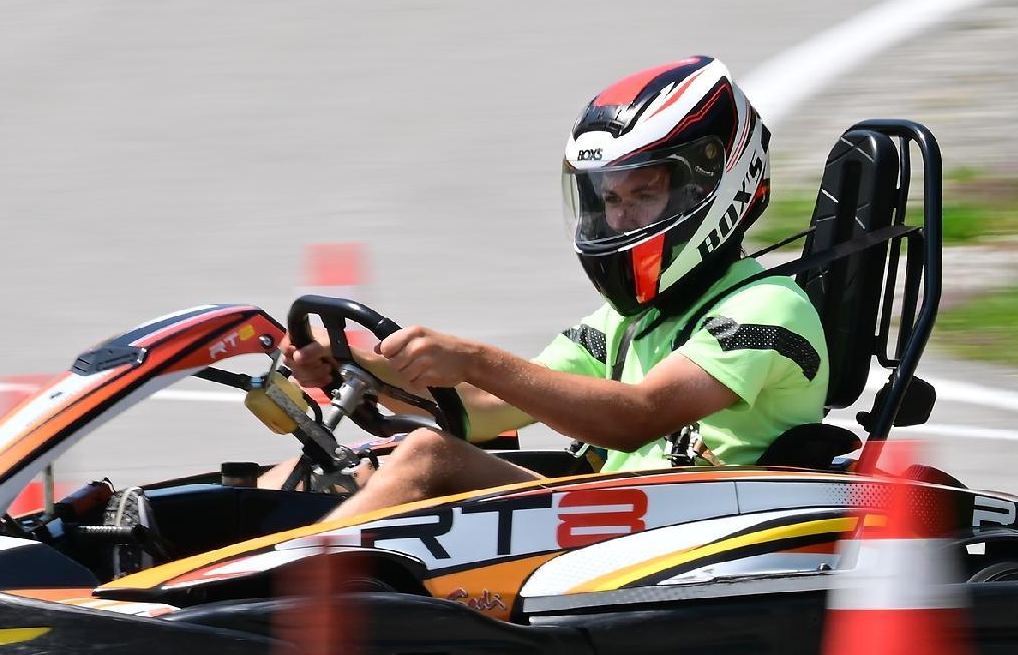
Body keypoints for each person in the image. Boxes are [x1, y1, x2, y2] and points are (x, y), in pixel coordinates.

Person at [275, 55, 831, 521]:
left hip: (686, 532)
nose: (619, 222)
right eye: (610, 200)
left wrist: (474, 358)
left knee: (429, 459)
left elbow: (638, 416)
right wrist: (353, 365)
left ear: (714, 184)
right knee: (351, 464)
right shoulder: (630, 320)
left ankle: (273, 586)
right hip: (617, 520)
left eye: (643, 194)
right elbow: (486, 406)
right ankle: (201, 562)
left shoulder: (769, 308)